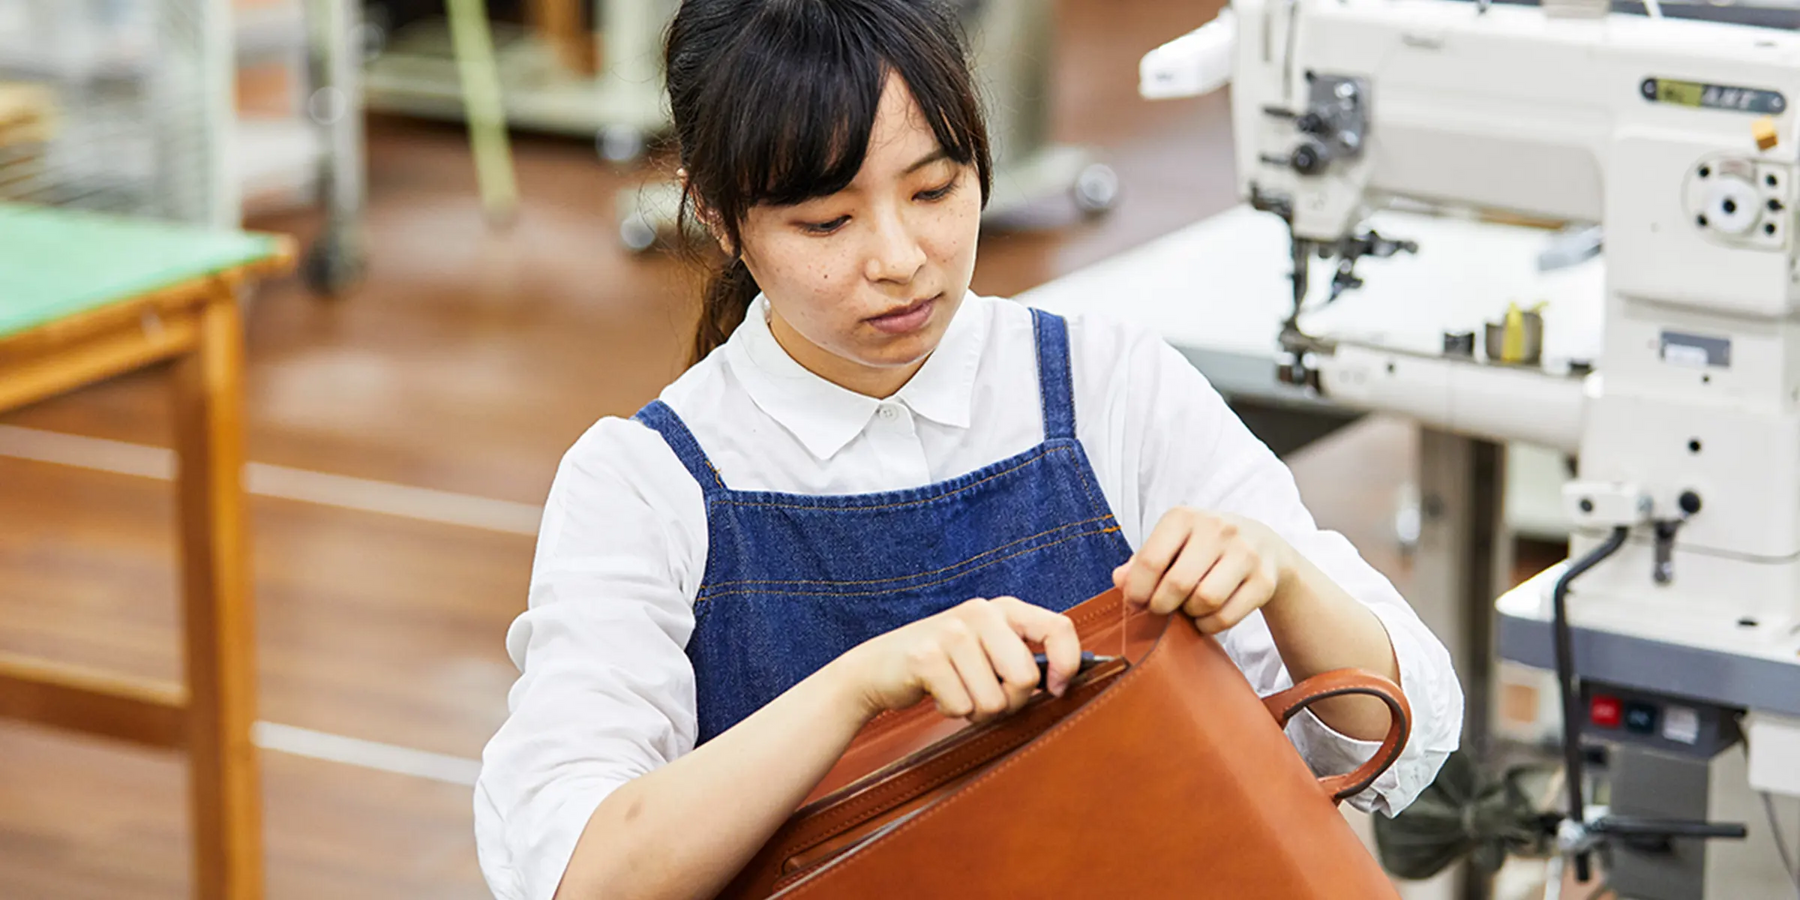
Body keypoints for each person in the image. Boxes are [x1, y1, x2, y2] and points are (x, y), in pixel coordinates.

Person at [475, 0, 1463, 897]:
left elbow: (1397, 728)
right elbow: (582, 872)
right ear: (719, 219)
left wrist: (1281, 576)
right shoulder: (646, 486)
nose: (899, 259)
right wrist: (862, 686)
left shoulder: (1109, 389)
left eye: (937, 190)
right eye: (827, 220)